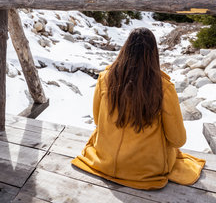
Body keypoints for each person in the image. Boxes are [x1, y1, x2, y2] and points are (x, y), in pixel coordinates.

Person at [71, 27, 205, 190]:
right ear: (153, 54)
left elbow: (98, 119)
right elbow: (178, 140)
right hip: (144, 171)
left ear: (125, 49)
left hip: (104, 161)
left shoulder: (105, 78)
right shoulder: (163, 88)